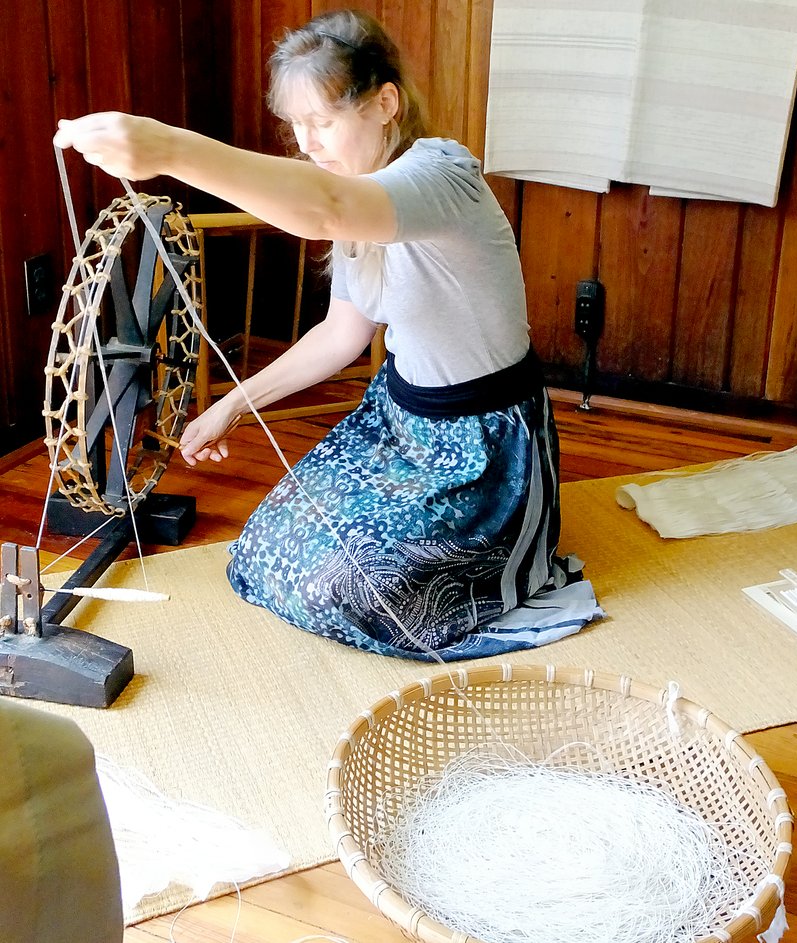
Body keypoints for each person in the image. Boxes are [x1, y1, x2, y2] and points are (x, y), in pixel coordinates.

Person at [54, 9, 602, 660]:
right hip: (399, 421)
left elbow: (324, 208)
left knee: (352, 589)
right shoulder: (352, 195)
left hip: (484, 446)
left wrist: (171, 149)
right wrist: (234, 403)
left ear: (383, 103)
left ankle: (512, 564)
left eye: (323, 122)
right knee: (264, 551)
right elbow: (342, 334)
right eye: (297, 127)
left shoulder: (442, 173)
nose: (309, 142)